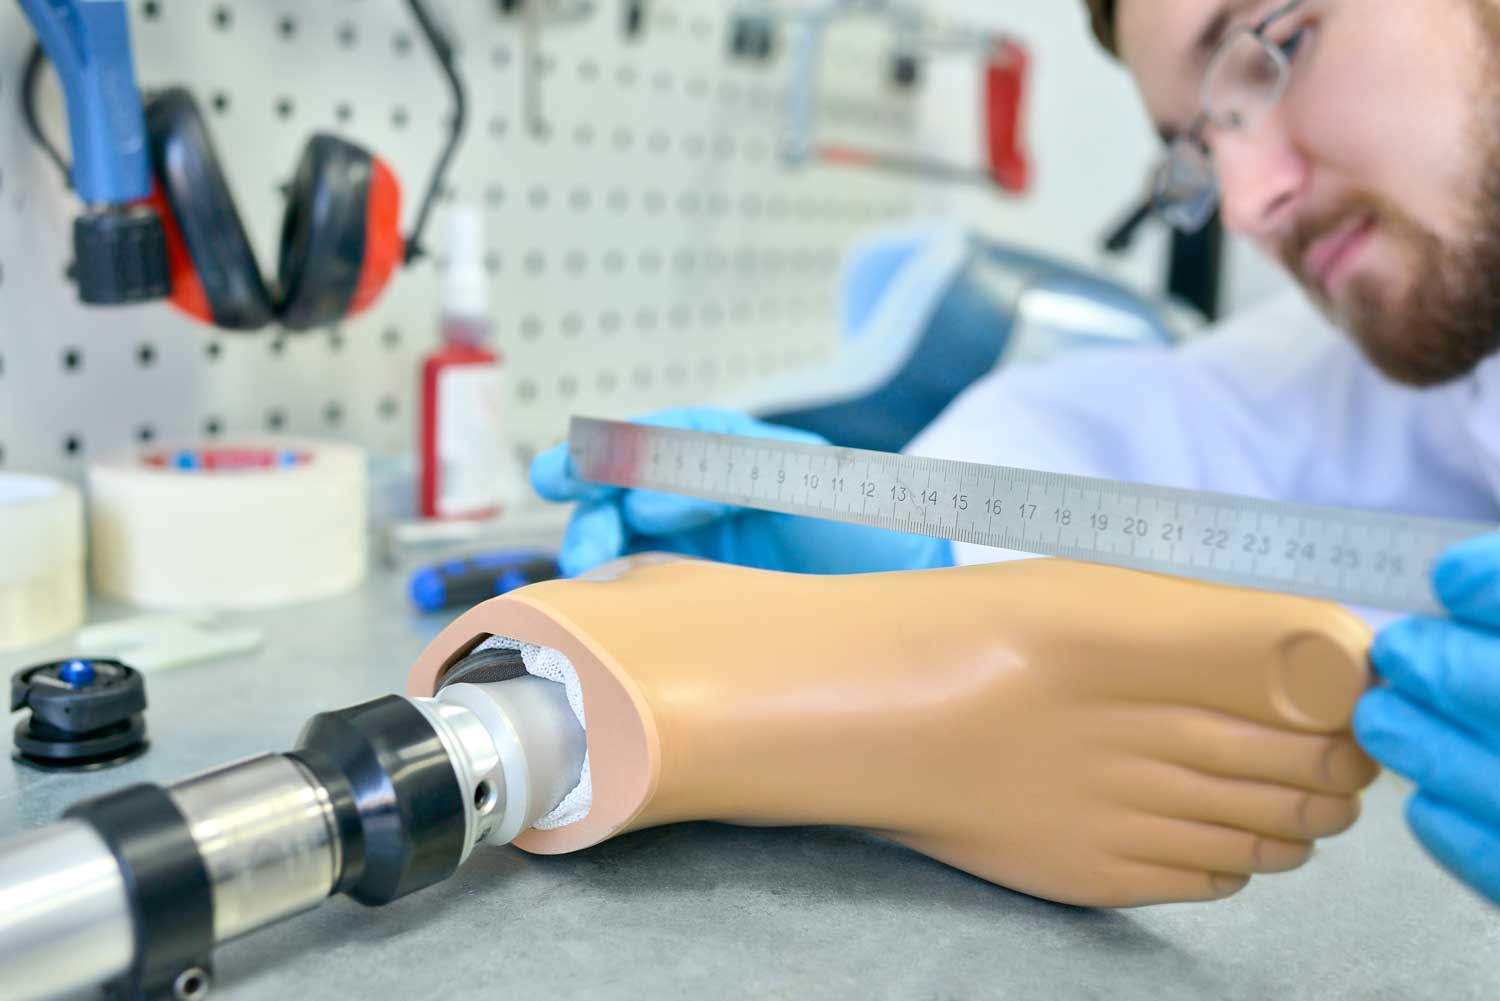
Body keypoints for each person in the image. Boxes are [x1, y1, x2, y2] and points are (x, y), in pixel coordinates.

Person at [532, 0, 1500, 907]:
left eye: (1268, 51)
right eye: (1200, 149)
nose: (1249, 204)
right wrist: (918, 551)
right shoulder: (1421, 349)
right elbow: (1170, 428)